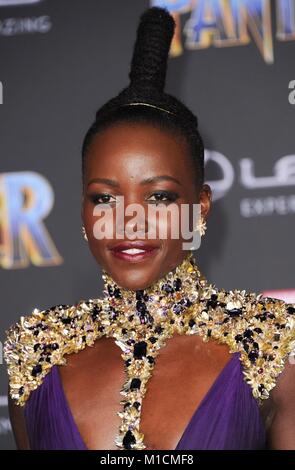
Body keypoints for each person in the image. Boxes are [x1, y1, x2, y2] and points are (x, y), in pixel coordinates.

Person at [4, 6, 295, 451]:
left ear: (199, 208)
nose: (128, 220)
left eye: (159, 196)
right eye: (104, 197)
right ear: (84, 213)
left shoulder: (274, 344)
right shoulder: (34, 353)